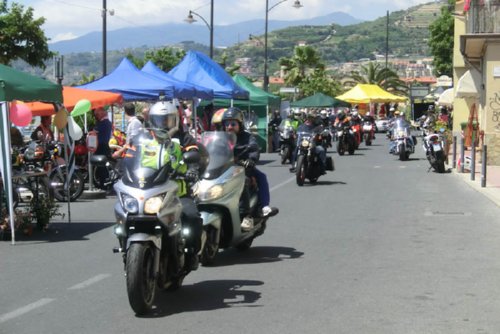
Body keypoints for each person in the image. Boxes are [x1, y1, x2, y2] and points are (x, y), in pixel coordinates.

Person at [147, 100, 203, 269]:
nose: (163, 124)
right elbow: (130, 156)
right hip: (149, 192)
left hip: (178, 192)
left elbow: (193, 153)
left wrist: (192, 169)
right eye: (159, 120)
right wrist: (121, 167)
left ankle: (192, 253)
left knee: (191, 216)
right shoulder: (143, 139)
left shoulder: (184, 138)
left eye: (167, 120)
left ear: (175, 120)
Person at [221, 107, 278, 231]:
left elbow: (254, 149)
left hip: (243, 169)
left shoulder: (247, 137)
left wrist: (251, 160)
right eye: (227, 123)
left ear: (239, 124)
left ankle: (255, 212)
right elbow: (210, 150)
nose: (229, 126)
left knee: (259, 177)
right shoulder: (221, 138)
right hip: (223, 170)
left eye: (233, 123)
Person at [93, 107, 112, 189]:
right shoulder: (105, 122)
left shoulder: (104, 123)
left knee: (101, 165)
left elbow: (95, 131)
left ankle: (102, 183)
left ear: (101, 114)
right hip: (102, 145)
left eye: (97, 114)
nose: (96, 116)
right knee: (100, 165)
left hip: (101, 146)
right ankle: (101, 182)